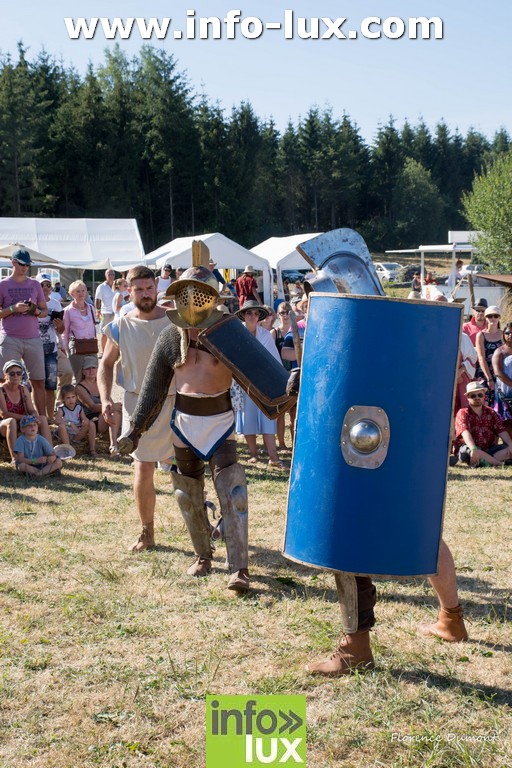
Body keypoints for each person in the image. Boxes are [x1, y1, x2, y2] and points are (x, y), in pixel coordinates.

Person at [120, 265, 256, 592]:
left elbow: (259, 373)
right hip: (183, 422)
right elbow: (154, 387)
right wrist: (135, 429)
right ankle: (202, 555)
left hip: (220, 421)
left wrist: (286, 391)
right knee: (186, 494)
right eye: (186, 294)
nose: (192, 301)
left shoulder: (228, 332)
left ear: (212, 297)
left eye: (199, 294)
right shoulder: (171, 335)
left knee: (233, 493)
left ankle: (239, 568)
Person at [98, 266, 176, 552]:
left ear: (156, 287)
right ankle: (147, 532)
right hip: (138, 404)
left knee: (184, 470)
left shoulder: (175, 320)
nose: (145, 294)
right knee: (143, 468)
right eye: (139, 290)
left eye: (149, 288)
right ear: (128, 292)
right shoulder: (120, 325)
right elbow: (106, 365)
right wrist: (106, 398)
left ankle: (200, 530)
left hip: (175, 401)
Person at [0, 248, 48, 417]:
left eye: (28, 265)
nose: (25, 267)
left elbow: (44, 311)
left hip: (33, 338)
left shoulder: (35, 284)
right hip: (10, 338)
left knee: (39, 381)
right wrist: (13, 308)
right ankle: (5, 419)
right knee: (4, 381)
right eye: (22, 264)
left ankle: (42, 420)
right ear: (13, 262)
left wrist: (34, 311)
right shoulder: (3, 285)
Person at [234, 301, 283, 468]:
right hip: (244, 382)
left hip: (264, 383)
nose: (253, 316)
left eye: (256, 313)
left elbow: (274, 360)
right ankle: (253, 454)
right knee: (248, 417)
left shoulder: (266, 335)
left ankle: (273, 456)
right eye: (249, 313)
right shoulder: (237, 333)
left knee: (267, 418)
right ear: (243, 315)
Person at [453, 380, 512, 467]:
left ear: (484, 396)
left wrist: (511, 445)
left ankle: (485, 461)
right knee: (468, 451)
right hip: (470, 448)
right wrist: (474, 449)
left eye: (480, 395)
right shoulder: (463, 412)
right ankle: (499, 463)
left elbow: (501, 431)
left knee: (509, 448)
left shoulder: (491, 412)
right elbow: (465, 432)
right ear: (467, 397)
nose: (477, 398)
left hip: (489, 449)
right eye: (473, 395)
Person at [76, 358, 122, 456]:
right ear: (83, 371)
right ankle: (114, 445)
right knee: (113, 410)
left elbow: (109, 402)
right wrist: (113, 407)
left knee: (116, 411)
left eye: (93, 368)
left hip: (103, 414)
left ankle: (115, 445)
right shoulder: (79, 388)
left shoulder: (100, 384)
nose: (91, 371)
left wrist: (114, 407)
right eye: (88, 368)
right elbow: (92, 407)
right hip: (90, 419)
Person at [0, 359, 52, 445]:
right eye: (12, 374)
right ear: (6, 376)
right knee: (11, 421)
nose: (16, 376)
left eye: (18, 373)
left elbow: (31, 410)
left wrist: (34, 416)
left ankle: (50, 450)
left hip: (22, 422)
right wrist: (25, 418)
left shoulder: (23, 389)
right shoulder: (1, 391)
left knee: (42, 418)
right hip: (4, 424)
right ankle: (15, 453)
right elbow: (4, 414)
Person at [35, 273, 64, 420]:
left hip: (51, 349)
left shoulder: (56, 304)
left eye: (48, 285)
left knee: (51, 386)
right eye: (42, 285)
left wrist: (60, 325)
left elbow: (61, 330)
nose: (45, 288)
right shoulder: (31, 303)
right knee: (37, 384)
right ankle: (40, 418)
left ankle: (50, 418)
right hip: (33, 350)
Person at [63, 280, 99, 383]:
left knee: (93, 377)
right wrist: (66, 351)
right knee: (79, 377)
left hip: (91, 346)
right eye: (77, 291)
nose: (81, 294)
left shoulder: (91, 308)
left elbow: (94, 326)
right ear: (72, 294)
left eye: (83, 291)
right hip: (76, 348)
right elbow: (65, 333)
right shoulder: (68, 311)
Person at [55, 383, 97, 457]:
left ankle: (92, 450)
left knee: (91, 424)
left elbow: (84, 418)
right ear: (63, 399)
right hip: (67, 432)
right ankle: (68, 449)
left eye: (73, 397)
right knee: (61, 426)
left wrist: (85, 421)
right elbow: (56, 421)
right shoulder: (62, 409)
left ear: (76, 397)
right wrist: (69, 424)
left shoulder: (79, 407)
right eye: (68, 398)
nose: (71, 400)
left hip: (78, 432)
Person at [475, 305, 502, 406]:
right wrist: (489, 378)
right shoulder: (481, 335)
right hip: (485, 373)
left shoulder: (504, 334)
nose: (493, 318)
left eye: (496, 316)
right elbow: (481, 358)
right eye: (490, 316)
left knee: (502, 404)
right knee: (485, 404)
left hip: (501, 373)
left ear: (499, 317)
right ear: (486, 318)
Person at [491, 323, 512, 432]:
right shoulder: (500, 351)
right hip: (505, 391)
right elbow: (498, 372)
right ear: (503, 334)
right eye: (507, 333)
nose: (510, 335)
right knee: (506, 422)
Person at [95, 269, 116, 352]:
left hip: (116, 313)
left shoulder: (117, 286)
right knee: (104, 333)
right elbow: (97, 300)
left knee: (115, 333)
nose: (111, 276)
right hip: (105, 313)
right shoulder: (101, 287)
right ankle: (103, 352)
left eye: (112, 274)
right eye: (109, 274)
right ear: (105, 276)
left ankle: (114, 352)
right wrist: (97, 311)